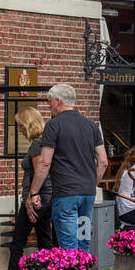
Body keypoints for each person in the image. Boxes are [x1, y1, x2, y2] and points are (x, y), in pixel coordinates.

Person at [0, 106, 54, 270]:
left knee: (17, 244)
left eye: (21, 126)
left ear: (29, 124)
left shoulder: (37, 144)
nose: (21, 131)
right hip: (47, 200)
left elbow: (41, 170)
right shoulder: (46, 142)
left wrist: (32, 198)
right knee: (45, 242)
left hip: (36, 200)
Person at [32, 83, 108, 251]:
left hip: (66, 194)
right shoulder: (91, 126)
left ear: (58, 101)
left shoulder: (53, 125)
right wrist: (92, 183)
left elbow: (45, 162)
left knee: (68, 247)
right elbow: (103, 161)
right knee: (83, 242)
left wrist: (34, 192)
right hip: (87, 195)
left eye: (49, 101)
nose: (49, 106)